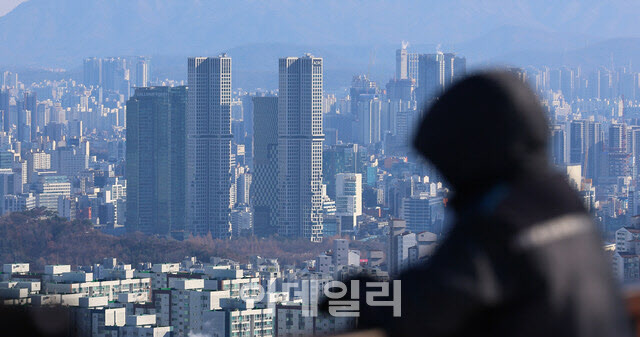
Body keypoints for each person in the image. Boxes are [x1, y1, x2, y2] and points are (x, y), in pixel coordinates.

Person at [353, 71, 632, 336]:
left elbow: (430, 305)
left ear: (471, 154)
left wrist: (359, 295)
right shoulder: (565, 202)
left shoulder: (502, 222)